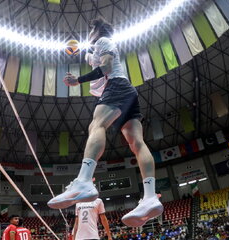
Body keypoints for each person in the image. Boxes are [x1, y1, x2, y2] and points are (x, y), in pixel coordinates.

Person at [47, 16, 163, 227]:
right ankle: (150, 197)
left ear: (97, 30)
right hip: (127, 93)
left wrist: (78, 80)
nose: (88, 34)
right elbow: (91, 58)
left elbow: (107, 67)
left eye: (90, 29)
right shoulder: (96, 50)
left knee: (96, 125)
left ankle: (83, 181)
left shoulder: (104, 41)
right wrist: (77, 51)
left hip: (117, 87)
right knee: (136, 143)